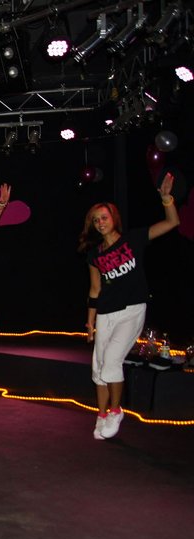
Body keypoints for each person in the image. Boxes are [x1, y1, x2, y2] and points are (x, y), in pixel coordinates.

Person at [81, 172, 178, 439]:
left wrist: (167, 198)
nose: (100, 223)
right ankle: (102, 414)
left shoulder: (133, 240)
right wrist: (90, 321)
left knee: (112, 361)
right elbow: (95, 289)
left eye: (104, 217)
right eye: (96, 220)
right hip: (105, 314)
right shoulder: (94, 255)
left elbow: (172, 222)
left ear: (114, 218)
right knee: (99, 368)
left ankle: (116, 410)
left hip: (132, 310)